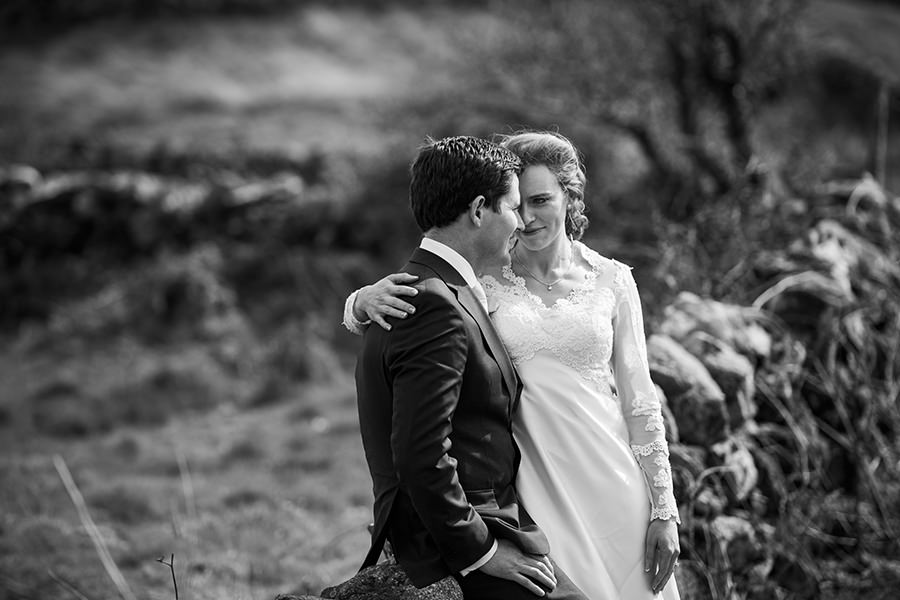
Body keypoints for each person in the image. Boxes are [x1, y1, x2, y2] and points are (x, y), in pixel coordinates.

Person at [344, 131, 681, 599]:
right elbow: (425, 295)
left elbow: (640, 401)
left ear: (571, 197)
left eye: (542, 200)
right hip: (535, 486)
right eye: (519, 202)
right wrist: (360, 301)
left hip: (613, 476)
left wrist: (664, 509)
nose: (526, 217)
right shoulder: (483, 275)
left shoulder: (613, 279)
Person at [353, 135, 589, 600]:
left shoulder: (437, 287)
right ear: (480, 210)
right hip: (454, 539)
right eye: (513, 208)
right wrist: (481, 551)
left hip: (494, 519)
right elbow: (420, 454)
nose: (521, 223)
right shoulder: (432, 303)